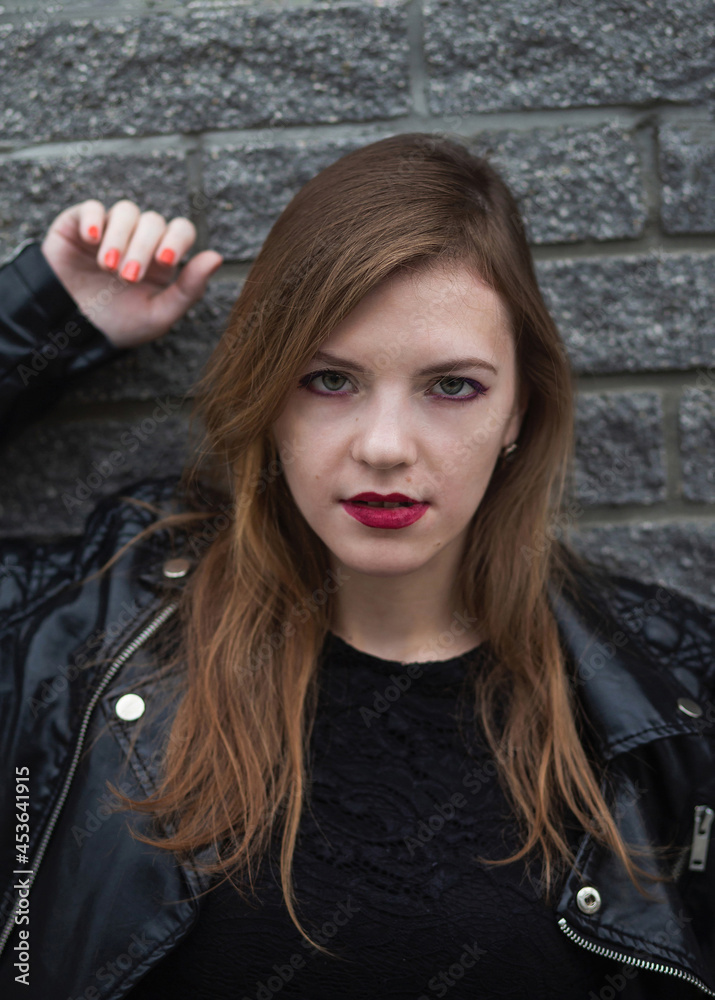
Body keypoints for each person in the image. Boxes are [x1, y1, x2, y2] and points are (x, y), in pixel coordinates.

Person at [0, 133, 714, 1000]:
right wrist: (41, 317)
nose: (383, 448)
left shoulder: (666, 687)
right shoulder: (84, 631)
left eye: (451, 386)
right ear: (268, 395)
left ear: (521, 407)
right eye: (329, 381)